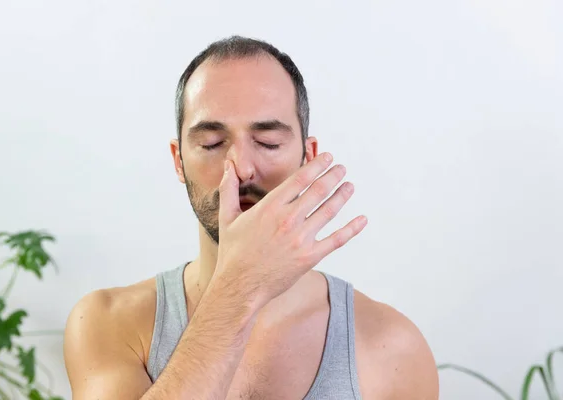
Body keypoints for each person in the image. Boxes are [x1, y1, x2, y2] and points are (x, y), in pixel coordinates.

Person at [64, 35, 439, 399]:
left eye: (269, 143)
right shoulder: (109, 323)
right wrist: (240, 287)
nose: (241, 167)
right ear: (179, 161)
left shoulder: (393, 349)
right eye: (212, 144)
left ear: (308, 156)